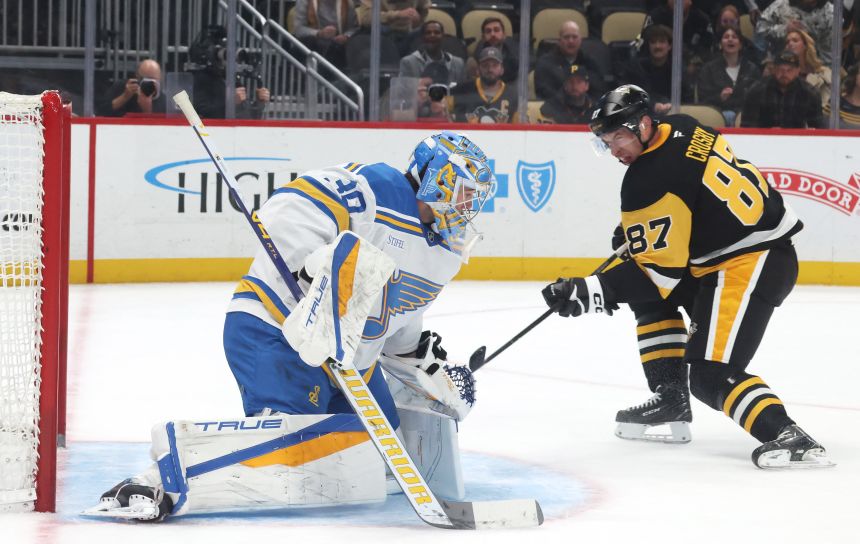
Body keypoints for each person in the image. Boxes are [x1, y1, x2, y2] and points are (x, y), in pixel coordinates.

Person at [86, 132, 497, 520]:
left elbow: (397, 327)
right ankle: (158, 482)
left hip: (350, 366)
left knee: (374, 463)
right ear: (435, 179)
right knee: (293, 447)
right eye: (464, 193)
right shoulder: (380, 188)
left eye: (475, 199)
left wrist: (433, 378)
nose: (469, 207)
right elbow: (288, 208)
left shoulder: (445, 252)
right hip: (279, 328)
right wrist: (313, 271)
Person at [542, 84, 834, 469]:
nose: (614, 150)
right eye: (605, 142)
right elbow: (687, 189)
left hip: (752, 262)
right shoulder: (684, 126)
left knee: (710, 376)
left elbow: (659, 273)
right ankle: (670, 397)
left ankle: (787, 435)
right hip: (733, 251)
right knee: (650, 297)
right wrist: (639, 233)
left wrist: (591, 290)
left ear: (644, 124)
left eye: (619, 137)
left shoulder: (645, 184)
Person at [621, 24, 693, 114]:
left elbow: (688, 98)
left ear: (669, 46)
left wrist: (674, 107)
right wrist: (652, 105)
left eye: (662, 42)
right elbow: (629, 96)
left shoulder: (678, 69)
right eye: (653, 42)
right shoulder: (636, 68)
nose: (657, 46)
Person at [697, 26, 761, 125]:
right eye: (726, 37)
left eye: (734, 37)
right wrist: (720, 97)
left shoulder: (752, 69)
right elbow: (703, 99)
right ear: (720, 44)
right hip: (717, 115)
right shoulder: (708, 70)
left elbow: (757, 97)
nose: (730, 39)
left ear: (740, 45)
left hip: (745, 115)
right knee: (728, 115)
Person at [741, 50, 823, 127]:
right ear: (773, 69)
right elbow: (747, 126)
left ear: (798, 71)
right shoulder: (757, 90)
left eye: (789, 70)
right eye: (780, 69)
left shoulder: (810, 93)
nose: (784, 74)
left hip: (797, 140)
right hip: (764, 139)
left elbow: (818, 129)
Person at [534, 20, 605, 100]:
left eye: (574, 37)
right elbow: (544, 93)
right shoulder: (545, 63)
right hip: (555, 109)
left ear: (580, 40)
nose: (571, 41)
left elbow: (598, 91)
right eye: (566, 37)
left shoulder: (590, 63)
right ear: (559, 41)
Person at [448, 46, 518, 123]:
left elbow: (520, 128)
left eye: (495, 65)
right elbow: (442, 110)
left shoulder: (513, 95)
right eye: (485, 65)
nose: (490, 69)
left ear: (502, 69)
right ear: (478, 69)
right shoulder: (462, 90)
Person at [755, 0, 834, 64]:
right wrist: (785, 29)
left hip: (812, 66)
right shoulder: (781, 4)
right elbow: (760, 29)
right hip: (778, 63)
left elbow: (828, 54)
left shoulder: (830, 13)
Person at [292, 0, 359, 69]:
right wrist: (319, 33)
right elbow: (298, 30)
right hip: (313, 43)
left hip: (339, 45)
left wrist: (346, 36)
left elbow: (354, 28)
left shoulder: (347, 2)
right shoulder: (304, 1)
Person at [399, 20, 466, 85]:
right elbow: (404, 91)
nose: (432, 35)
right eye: (428, 33)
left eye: (437, 32)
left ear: (443, 37)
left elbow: (463, 93)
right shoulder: (408, 62)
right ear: (422, 37)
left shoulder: (458, 63)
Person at [784, 28, 838, 107]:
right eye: (787, 42)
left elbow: (830, 104)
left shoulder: (824, 74)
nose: (790, 44)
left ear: (805, 45)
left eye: (795, 40)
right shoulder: (780, 73)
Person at [357, 0, 429, 56]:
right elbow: (366, 18)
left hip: (409, 34)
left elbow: (424, 9)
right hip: (382, 37)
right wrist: (397, 14)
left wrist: (418, 17)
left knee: (428, 33)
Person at [99, 59, 166, 117]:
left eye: (154, 80)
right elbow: (101, 112)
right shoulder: (123, 87)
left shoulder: (163, 99)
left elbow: (161, 127)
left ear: (160, 78)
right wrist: (124, 97)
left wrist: (147, 110)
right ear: (137, 76)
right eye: (145, 79)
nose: (149, 84)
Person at [467, 17, 520, 84]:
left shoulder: (514, 55)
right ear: (483, 37)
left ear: (504, 35)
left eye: (496, 30)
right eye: (488, 31)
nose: (492, 34)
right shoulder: (477, 57)